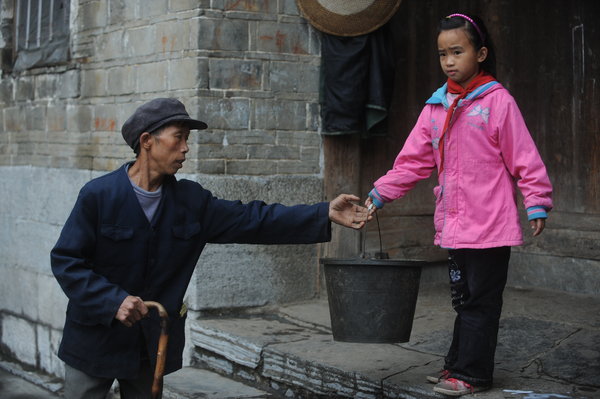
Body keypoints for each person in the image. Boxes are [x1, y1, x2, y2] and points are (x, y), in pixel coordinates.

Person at [51, 97, 370, 399]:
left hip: (151, 343)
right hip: (95, 336)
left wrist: (322, 212)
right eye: (178, 138)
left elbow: (254, 219)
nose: (186, 148)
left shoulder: (191, 201)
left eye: (187, 139)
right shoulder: (99, 195)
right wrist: (112, 301)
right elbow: (67, 261)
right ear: (147, 141)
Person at [365, 14, 553, 396]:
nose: (449, 61)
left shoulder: (498, 103)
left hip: (490, 225)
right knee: (464, 299)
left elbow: (525, 158)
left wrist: (537, 201)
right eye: (442, 54)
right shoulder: (436, 106)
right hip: (455, 225)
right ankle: (456, 364)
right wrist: (379, 194)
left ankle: (473, 374)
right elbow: (412, 161)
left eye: (457, 51)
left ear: (480, 53)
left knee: (481, 301)